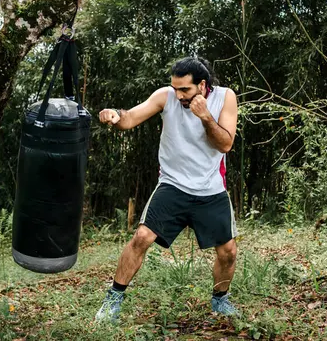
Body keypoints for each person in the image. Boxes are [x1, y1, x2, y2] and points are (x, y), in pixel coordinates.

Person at [95, 57, 239, 322]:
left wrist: (205, 116)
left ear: (202, 85)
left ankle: (220, 301)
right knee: (142, 237)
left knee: (228, 252)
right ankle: (113, 300)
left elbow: (225, 144)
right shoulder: (166, 97)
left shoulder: (225, 98)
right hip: (173, 185)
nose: (179, 95)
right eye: (175, 88)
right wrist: (115, 116)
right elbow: (130, 118)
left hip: (211, 188)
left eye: (185, 89)